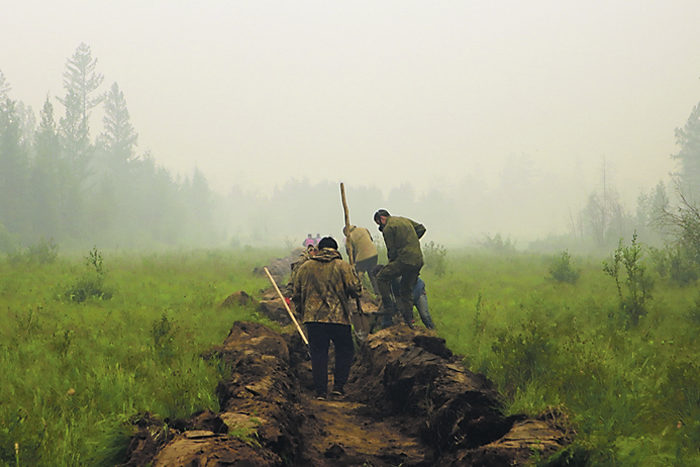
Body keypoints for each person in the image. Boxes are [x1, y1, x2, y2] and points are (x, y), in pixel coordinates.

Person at [292, 236, 362, 400]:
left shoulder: (306, 267)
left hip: (314, 319)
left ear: (319, 249)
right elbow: (356, 291)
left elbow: (296, 293)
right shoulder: (343, 266)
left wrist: (302, 311)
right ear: (335, 250)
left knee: (318, 353)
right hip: (340, 319)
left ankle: (321, 391)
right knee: (345, 350)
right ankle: (338, 387)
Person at [373, 209, 426, 329]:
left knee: (381, 277)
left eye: (379, 223)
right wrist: (410, 241)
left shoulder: (388, 228)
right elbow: (421, 229)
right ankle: (409, 322)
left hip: (405, 260)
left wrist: (391, 263)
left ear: (382, 219)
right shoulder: (404, 220)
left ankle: (389, 307)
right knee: (406, 288)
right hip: (418, 260)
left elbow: (391, 251)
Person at [372, 265, 434, 330]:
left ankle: (431, 329)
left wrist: (404, 307)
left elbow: (405, 292)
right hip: (404, 295)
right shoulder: (385, 282)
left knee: (424, 315)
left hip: (418, 291)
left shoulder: (397, 276)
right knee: (390, 308)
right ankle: (385, 326)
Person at [343, 224, 379, 293]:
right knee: (373, 274)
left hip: (362, 257)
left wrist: (353, 262)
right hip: (373, 253)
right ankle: (377, 292)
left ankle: (362, 291)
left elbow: (350, 252)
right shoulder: (363, 229)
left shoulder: (349, 237)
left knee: (358, 274)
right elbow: (371, 239)